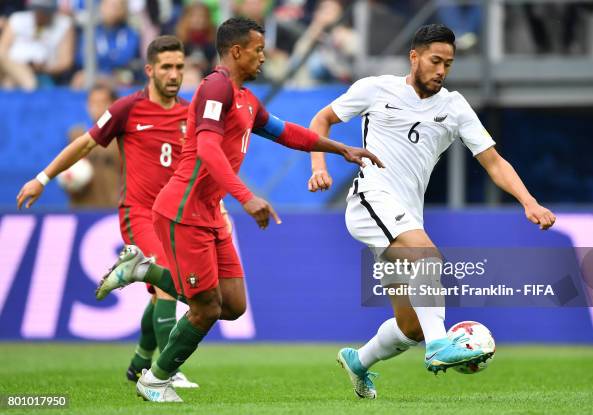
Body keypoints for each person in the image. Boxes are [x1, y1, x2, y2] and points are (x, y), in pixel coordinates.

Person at [93, 16, 384, 402]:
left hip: (209, 212)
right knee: (205, 309)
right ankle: (156, 379)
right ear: (236, 51)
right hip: (183, 209)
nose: (264, 58)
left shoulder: (246, 97)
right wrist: (247, 197)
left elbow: (286, 132)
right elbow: (209, 149)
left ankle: (141, 269)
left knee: (232, 305)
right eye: (258, 50)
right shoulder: (216, 87)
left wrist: (338, 148)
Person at [307, 24, 556, 399]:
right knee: (428, 258)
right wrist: (318, 167)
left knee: (411, 326)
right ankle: (440, 345)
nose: (441, 70)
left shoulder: (454, 107)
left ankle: (358, 361)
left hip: (405, 217)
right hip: (369, 199)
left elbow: (493, 161)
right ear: (415, 57)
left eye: (448, 64)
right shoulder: (376, 89)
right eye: (435, 61)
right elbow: (320, 120)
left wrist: (529, 201)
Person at [16, 35, 201, 389]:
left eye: (179, 66)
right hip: (140, 213)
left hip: (175, 217)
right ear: (150, 70)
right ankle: (165, 369)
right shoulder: (127, 109)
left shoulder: (189, 114)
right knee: (168, 281)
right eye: (166, 67)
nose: (174, 74)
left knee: (165, 288)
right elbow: (84, 143)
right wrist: (43, 178)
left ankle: (139, 361)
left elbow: (198, 165)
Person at [63, 83, 121, 208]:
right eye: (92, 103)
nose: (97, 107)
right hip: (81, 211)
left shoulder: (122, 139)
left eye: (102, 102)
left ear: (114, 105)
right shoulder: (76, 135)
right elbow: (66, 176)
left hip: (111, 213)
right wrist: (70, 180)